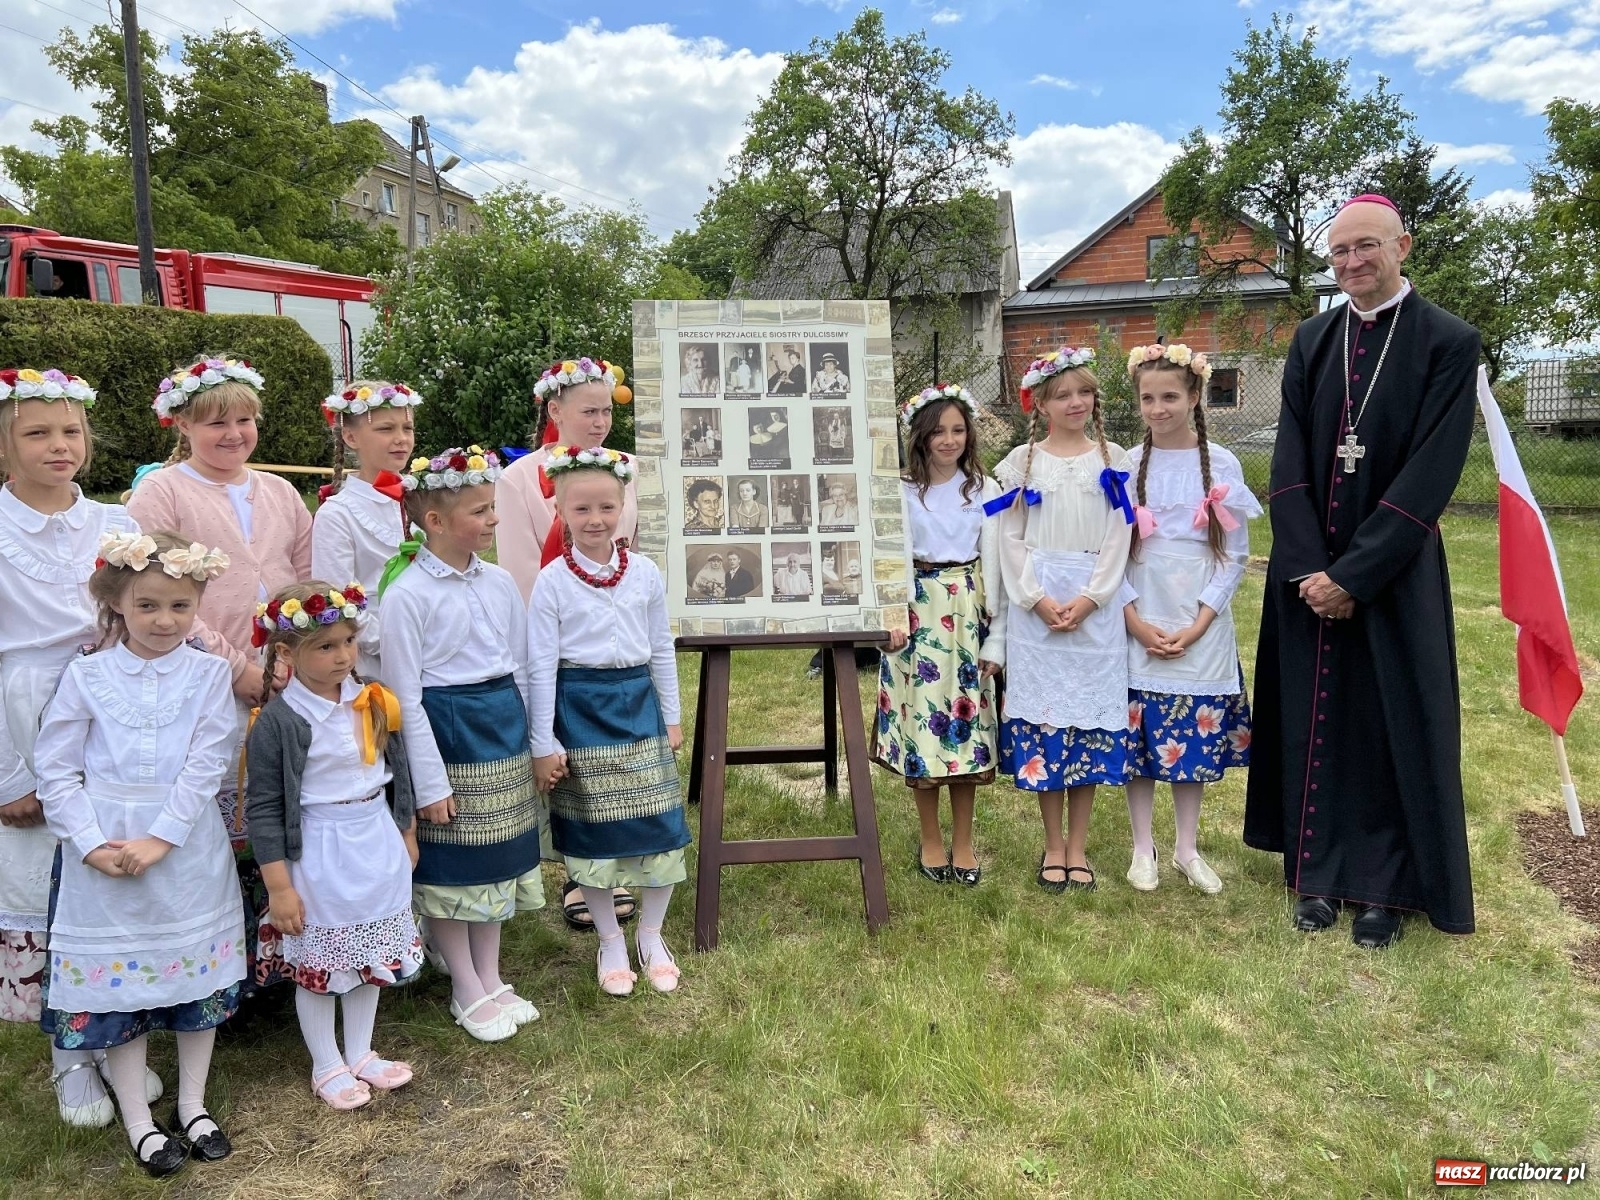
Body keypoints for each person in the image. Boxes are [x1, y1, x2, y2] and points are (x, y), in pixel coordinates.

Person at [1244, 194, 1483, 948]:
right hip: (1309, 574)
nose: (1352, 262)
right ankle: (1316, 874)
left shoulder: (1448, 341)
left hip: (1394, 570)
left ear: (1401, 246)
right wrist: (1310, 569)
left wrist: (1356, 575)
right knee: (1313, 717)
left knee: (1387, 724)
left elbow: (1432, 470)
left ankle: (1385, 890)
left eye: (1366, 246)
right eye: (1340, 250)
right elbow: (1287, 461)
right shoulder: (1313, 339)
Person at [35, 531, 241, 1177]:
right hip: (108, 850)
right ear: (118, 602)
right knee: (121, 991)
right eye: (147, 605)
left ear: (198, 604)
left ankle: (193, 1104)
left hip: (185, 849)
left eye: (180, 606)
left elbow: (209, 761)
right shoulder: (87, 675)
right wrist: (90, 844)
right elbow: (56, 768)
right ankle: (138, 1120)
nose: (164, 620)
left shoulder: (209, 675)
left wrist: (163, 836)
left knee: (194, 979)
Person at [0, 368, 165, 1129]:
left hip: (112, 707)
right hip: (26, 711)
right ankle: (70, 1055)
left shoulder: (114, 521)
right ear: (6, 445)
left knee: (109, 871)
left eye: (70, 431)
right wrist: (9, 773)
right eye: (37, 432)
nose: (58, 445)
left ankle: (114, 1035)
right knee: (47, 881)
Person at [130, 355, 314, 993]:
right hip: (205, 680)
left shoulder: (280, 492)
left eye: (244, 421)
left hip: (286, 676)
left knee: (281, 805)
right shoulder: (163, 493)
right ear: (181, 424)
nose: (233, 434)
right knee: (220, 813)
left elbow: (304, 580)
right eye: (215, 423)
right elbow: (156, 594)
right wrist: (237, 667)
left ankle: (287, 951)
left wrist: (294, 655)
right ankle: (220, 963)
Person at [380, 446, 542, 1042]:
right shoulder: (408, 595)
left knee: (497, 856)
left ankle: (490, 974)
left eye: (493, 506)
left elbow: (522, 666)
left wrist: (535, 740)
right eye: (480, 510)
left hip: (501, 727)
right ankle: (464, 984)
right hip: (450, 734)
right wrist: (429, 781)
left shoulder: (498, 583)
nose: (494, 518)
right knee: (455, 864)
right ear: (436, 521)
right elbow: (405, 695)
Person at [246, 581, 422, 1111]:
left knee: (371, 953)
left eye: (348, 641)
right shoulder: (279, 722)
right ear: (286, 653)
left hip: (375, 838)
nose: (343, 655)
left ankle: (361, 1051)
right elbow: (264, 808)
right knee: (323, 966)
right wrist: (280, 887)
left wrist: (406, 831)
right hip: (320, 850)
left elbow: (398, 770)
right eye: (326, 646)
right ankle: (326, 1063)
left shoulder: (371, 698)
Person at [529, 446, 689, 996]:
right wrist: (543, 738)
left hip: (637, 703)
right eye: (581, 509)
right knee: (593, 828)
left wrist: (671, 716)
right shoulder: (552, 581)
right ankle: (610, 939)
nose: (595, 519)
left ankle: (651, 933)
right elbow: (540, 665)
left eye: (606, 507)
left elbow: (661, 648)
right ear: (560, 512)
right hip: (580, 707)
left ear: (623, 507)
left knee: (659, 821)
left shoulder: (643, 572)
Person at [992, 347, 1134, 893]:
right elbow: (1009, 536)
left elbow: (1120, 532)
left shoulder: (1112, 459)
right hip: (1039, 611)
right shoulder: (1022, 462)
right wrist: (1034, 598)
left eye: (1084, 392)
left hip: (1094, 607)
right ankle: (1053, 843)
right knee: (1048, 725)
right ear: (1042, 404)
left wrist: (1094, 597)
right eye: (1063, 395)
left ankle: (1078, 844)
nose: (1076, 402)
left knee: (1086, 727)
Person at [1120, 344, 1261, 895]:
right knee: (1140, 740)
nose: (1158, 408)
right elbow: (1109, 553)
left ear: (1195, 396)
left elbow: (1235, 555)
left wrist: (1200, 623)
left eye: (1170, 397)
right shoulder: (1127, 465)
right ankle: (1142, 847)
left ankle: (1186, 847)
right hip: (1142, 610)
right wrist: (1133, 620)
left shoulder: (1222, 464)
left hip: (1198, 616)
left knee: (1189, 740)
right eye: (1148, 398)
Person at [872, 384, 1006, 887]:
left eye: (958, 430)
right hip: (918, 615)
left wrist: (998, 636)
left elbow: (998, 562)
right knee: (924, 725)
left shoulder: (985, 488)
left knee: (965, 728)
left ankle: (964, 841)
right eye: (938, 432)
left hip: (968, 613)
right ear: (920, 437)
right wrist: (891, 615)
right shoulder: (901, 491)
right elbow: (888, 558)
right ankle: (930, 837)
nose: (949, 440)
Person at [497, 358, 639, 605]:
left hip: (625, 610)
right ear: (555, 411)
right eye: (589, 412)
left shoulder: (632, 467)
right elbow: (522, 577)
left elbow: (642, 554)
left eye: (607, 411)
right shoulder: (517, 479)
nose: (601, 423)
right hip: (556, 614)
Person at [311, 381, 423, 678]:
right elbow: (339, 600)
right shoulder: (339, 514)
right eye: (386, 429)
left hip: (435, 648)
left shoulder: (423, 499)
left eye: (407, 428)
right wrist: (400, 645)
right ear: (351, 437)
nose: (401, 439)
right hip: (376, 660)